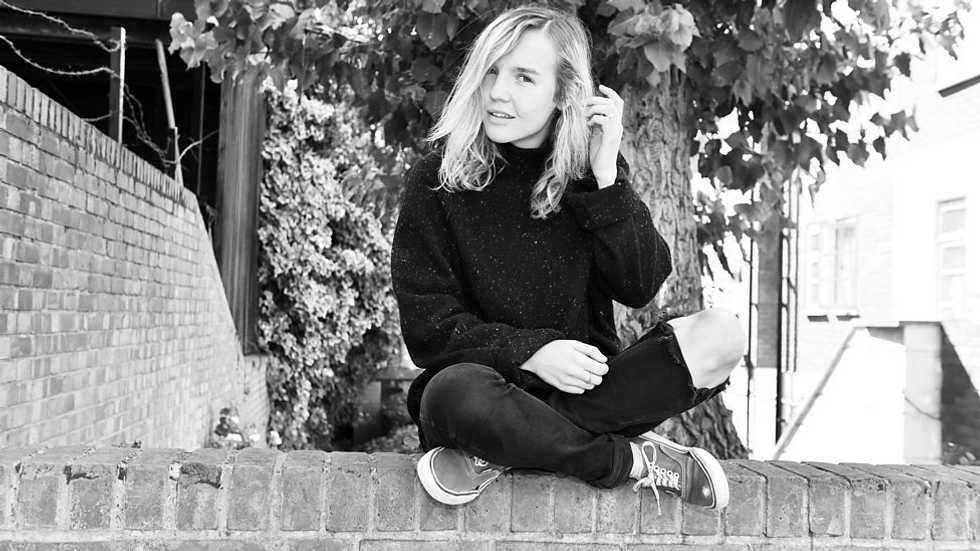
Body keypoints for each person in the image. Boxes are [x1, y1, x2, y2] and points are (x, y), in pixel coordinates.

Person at [390, 5, 745, 511]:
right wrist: (533, 351)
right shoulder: (437, 178)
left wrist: (607, 178)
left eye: (523, 77)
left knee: (722, 335)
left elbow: (641, 285)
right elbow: (429, 328)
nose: (497, 92)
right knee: (454, 393)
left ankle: (503, 452)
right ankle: (627, 461)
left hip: (589, 391)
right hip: (483, 390)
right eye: (491, 72)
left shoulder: (589, 174)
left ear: (563, 93)